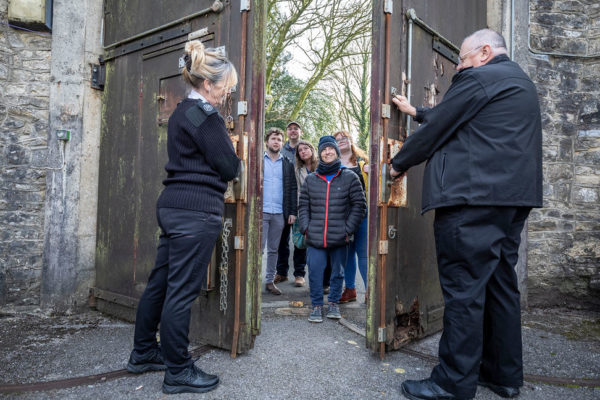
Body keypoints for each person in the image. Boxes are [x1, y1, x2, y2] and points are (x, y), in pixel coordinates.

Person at [390, 29, 542, 400]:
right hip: (511, 199)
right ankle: (503, 374)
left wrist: (397, 164)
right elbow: (454, 114)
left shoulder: (479, 77)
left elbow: (442, 125)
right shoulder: (519, 82)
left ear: (485, 52)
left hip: (471, 199)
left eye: (461, 59)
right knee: (500, 285)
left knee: (464, 291)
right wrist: (418, 111)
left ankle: (452, 383)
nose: (458, 66)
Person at [126, 40, 240, 395]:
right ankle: (178, 370)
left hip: (173, 206)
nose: (226, 95)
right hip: (196, 210)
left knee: (160, 283)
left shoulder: (179, 111)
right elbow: (230, 166)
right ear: (208, 84)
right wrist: (235, 153)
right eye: (225, 88)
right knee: (180, 292)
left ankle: (144, 351)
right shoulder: (205, 117)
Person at [298, 136, 366, 323]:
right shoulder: (312, 179)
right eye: (324, 149)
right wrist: (306, 228)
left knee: (338, 272)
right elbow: (303, 205)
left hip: (339, 236)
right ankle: (317, 305)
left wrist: (348, 229)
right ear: (320, 153)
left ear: (336, 152)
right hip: (315, 236)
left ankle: (334, 303)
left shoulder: (349, 177)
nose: (327, 152)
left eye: (331, 149)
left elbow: (359, 205)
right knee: (315, 271)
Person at [334, 130, 369, 304]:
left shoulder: (363, 162)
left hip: (363, 212)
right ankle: (350, 289)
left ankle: (370, 290)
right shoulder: (332, 163)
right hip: (342, 215)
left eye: (344, 138)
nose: (341, 141)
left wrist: (370, 171)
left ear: (351, 140)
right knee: (347, 254)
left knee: (363, 253)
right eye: (337, 140)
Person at [262, 127, 298, 295]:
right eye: (273, 139)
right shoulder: (258, 161)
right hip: (261, 211)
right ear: (267, 142)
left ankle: (269, 281)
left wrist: (291, 211)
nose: (276, 142)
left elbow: (291, 189)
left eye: (278, 139)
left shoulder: (287, 164)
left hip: (278, 212)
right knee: (258, 248)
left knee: (274, 249)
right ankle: (254, 281)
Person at [274, 121, 304, 284]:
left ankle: (299, 274)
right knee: (282, 239)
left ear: (300, 132)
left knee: (300, 239)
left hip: (301, 199)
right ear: (287, 132)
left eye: (296, 129)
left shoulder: (304, 149)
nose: (293, 131)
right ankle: (281, 272)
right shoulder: (281, 150)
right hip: (284, 198)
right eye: (290, 129)